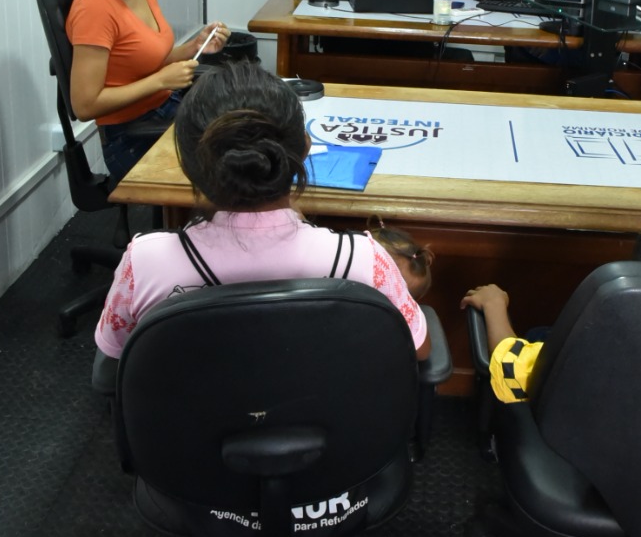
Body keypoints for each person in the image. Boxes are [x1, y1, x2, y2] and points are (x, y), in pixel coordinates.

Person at [93, 62, 430, 383]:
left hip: (191, 437)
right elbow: (418, 349)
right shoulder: (364, 261)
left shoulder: (145, 262)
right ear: (305, 150)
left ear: (187, 164)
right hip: (330, 434)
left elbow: (118, 352)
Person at [462, 218, 641, 403]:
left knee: (541, 339)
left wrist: (494, 305)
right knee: (542, 333)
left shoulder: (607, 345)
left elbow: (514, 375)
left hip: (608, 465)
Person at [66, 0, 230, 185]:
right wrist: (161, 81)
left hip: (164, 111)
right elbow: (84, 105)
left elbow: (147, 57)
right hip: (130, 137)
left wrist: (196, 46)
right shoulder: (94, 5)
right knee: (236, 161)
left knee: (247, 126)